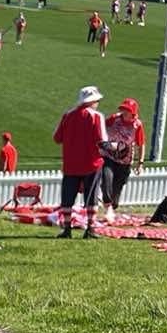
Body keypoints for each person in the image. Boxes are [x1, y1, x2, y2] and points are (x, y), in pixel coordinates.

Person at [53, 86, 105, 239]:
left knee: (67, 197)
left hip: (70, 164)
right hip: (91, 163)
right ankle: (90, 228)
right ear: (93, 101)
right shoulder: (96, 117)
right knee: (91, 196)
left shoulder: (67, 115)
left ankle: (67, 228)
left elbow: (57, 138)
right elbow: (102, 141)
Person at [99, 98, 145, 222]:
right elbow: (100, 127)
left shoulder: (137, 125)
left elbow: (141, 144)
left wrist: (140, 163)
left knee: (116, 192)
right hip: (108, 156)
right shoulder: (114, 119)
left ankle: (111, 206)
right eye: (123, 109)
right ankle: (107, 206)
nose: (124, 112)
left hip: (125, 161)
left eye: (127, 110)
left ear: (133, 112)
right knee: (107, 178)